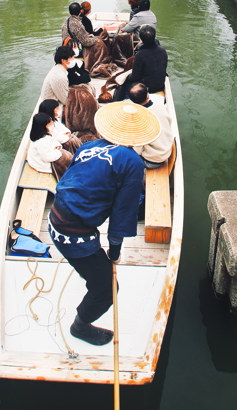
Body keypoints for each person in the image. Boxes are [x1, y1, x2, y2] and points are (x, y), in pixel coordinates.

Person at [47, 102, 160, 346]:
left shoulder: (89, 147)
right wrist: (115, 249)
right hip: (74, 233)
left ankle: (90, 275)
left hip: (56, 217)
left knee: (93, 272)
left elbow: (70, 178)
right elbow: (123, 210)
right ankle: (80, 327)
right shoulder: (132, 162)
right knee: (108, 289)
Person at [126, 82, 173, 168]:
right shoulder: (160, 105)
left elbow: (138, 148)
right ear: (148, 96)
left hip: (152, 160)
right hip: (166, 150)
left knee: (122, 154)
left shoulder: (138, 118)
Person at [115, 25, 167, 101]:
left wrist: (127, 77)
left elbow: (135, 76)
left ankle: (126, 100)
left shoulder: (140, 55)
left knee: (125, 83)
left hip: (147, 87)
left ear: (141, 39)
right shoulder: (162, 50)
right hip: (160, 85)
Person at [61, 2, 111, 74]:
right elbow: (86, 42)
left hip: (68, 46)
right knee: (100, 43)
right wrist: (96, 39)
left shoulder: (67, 21)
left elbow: (77, 35)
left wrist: (88, 35)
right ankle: (96, 66)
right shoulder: (77, 24)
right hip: (76, 49)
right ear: (80, 11)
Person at [27, 113, 72, 179]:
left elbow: (54, 142)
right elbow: (47, 157)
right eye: (50, 123)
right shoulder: (42, 141)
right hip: (42, 163)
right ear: (43, 126)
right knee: (65, 160)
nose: (52, 124)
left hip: (49, 154)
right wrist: (58, 152)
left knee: (66, 156)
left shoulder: (46, 134)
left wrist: (57, 146)